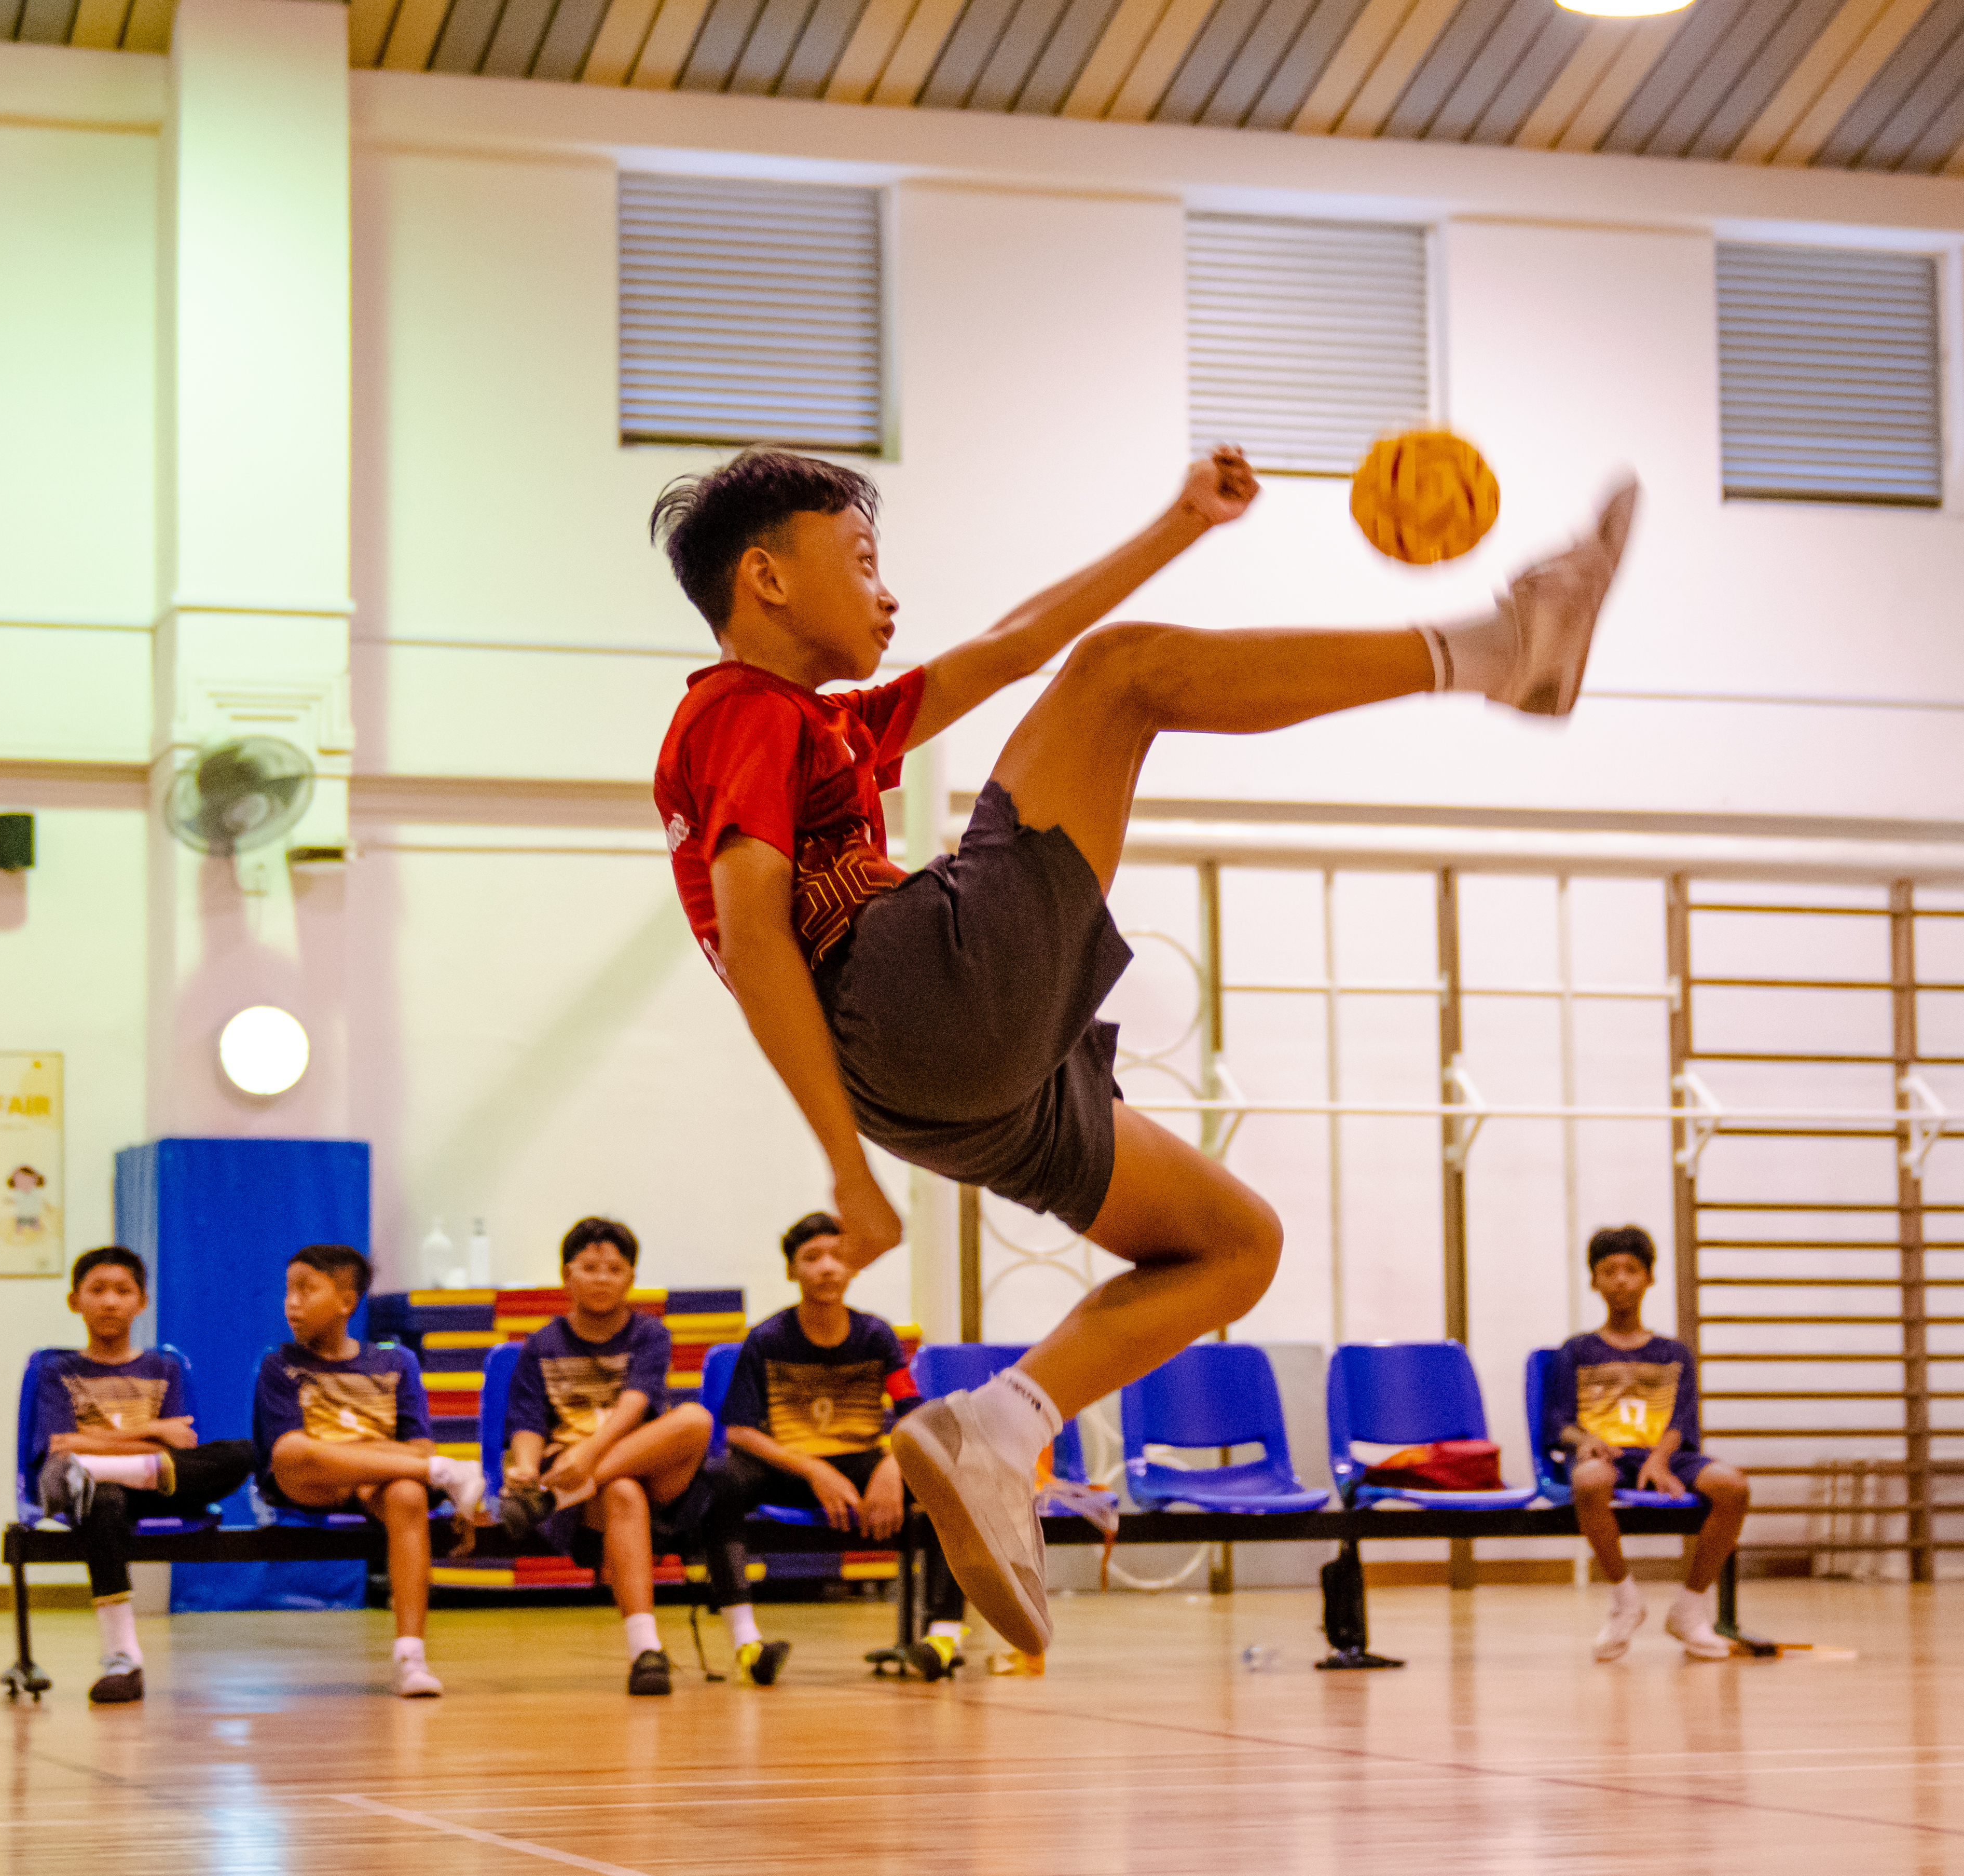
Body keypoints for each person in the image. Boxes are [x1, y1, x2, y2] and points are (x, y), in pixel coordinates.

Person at [651, 443, 1635, 1653]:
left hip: (942, 1086)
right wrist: (843, 1175)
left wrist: (1180, 522)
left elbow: (1010, 648)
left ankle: (1000, 1428)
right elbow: (754, 939)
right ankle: (1497, 649)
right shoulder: (737, 712)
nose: (887, 594)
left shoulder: (827, 725)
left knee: (1231, 1242)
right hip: (908, 1005)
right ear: (766, 580)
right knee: (1121, 674)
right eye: (861, 563)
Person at [704, 1212, 970, 1683]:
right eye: (812, 1258)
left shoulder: (877, 1336)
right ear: (792, 1271)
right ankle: (747, 1644)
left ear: (853, 1268)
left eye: (838, 1256)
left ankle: (942, 1638)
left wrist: (892, 1462)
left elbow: (913, 1414)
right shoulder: (766, 1339)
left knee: (951, 1480)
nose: (827, 1267)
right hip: (793, 1468)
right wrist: (813, 1470)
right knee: (720, 1484)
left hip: (863, 1464)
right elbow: (741, 1432)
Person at [251, 1243, 489, 1698]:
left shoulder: (395, 1362)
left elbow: (417, 1447)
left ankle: (410, 1657)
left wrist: (375, 1465)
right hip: (309, 1484)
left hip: (376, 1487)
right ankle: (451, 1474)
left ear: (346, 1301)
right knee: (295, 1453)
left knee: (408, 1494)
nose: (292, 1302)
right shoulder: (280, 1364)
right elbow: (290, 1451)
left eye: (306, 1289)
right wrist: (382, 1455)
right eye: (288, 1290)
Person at [498, 1216, 716, 1697]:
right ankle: (645, 1650)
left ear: (631, 1280)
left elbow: (636, 1402)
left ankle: (551, 1498)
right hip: (589, 1489)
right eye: (590, 1267)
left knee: (695, 1419)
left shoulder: (650, 1335)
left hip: (642, 1464)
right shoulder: (542, 1345)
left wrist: (585, 1460)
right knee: (621, 1490)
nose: (602, 1277)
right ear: (566, 1276)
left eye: (614, 1269)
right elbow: (527, 1424)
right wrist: (528, 1470)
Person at [33, 1244, 256, 1705]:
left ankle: (91, 1473)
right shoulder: (58, 1370)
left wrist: (94, 1448)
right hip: (101, 1496)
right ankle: (122, 1657)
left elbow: (181, 1448)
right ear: (75, 1300)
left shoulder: (164, 1368)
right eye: (97, 1290)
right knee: (105, 1499)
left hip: (162, 1487)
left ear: (142, 1302)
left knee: (241, 1452)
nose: (110, 1301)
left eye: (122, 1290)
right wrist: (152, 1431)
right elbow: (59, 1445)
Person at [1547, 1224, 1751, 1662]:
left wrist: (1660, 1459)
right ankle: (1624, 1601)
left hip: (1669, 1457)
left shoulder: (1674, 1353)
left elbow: (1681, 1420)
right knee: (1587, 1482)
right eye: (1609, 1271)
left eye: (1631, 1270)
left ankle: (1690, 1610)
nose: (1620, 1279)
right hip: (1611, 1458)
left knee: (1733, 1486)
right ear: (1594, 1281)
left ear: (1649, 1278)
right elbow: (1558, 1422)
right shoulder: (1575, 1350)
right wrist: (1585, 1439)